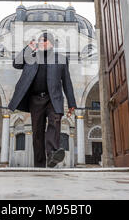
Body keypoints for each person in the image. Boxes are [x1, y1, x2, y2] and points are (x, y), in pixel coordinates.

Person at [8, 32, 77, 168]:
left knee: (55, 121)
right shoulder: (30, 57)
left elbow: (67, 82)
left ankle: (52, 154)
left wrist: (71, 103)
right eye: (39, 40)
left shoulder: (61, 59)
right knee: (37, 132)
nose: (41, 42)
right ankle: (39, 165)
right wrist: (28, 48)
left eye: (44, 40)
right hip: (35, 99)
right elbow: (16, 64)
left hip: (53, 98)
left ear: (51, 43)